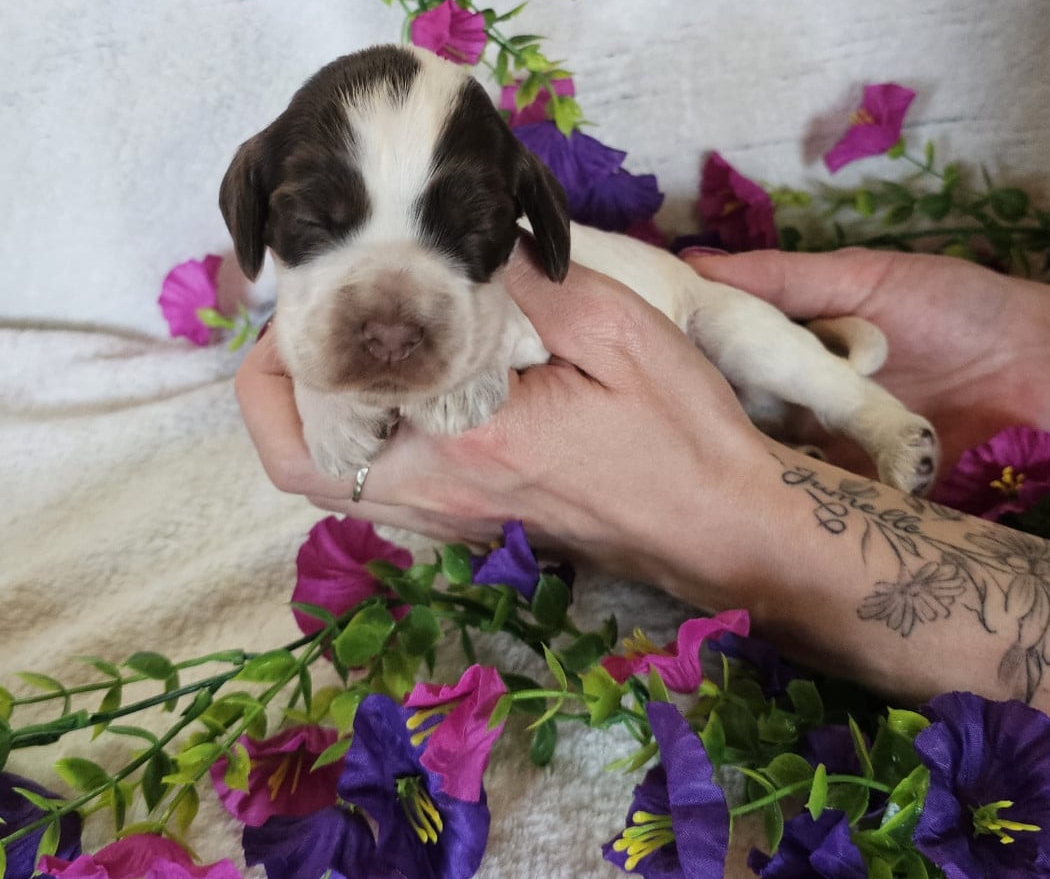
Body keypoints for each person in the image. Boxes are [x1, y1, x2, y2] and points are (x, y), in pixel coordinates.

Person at [236, 244, 1050, 713]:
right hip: (692, 380)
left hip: (683, 321)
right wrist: (1023, 341)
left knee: (784, 356)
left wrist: (709, 512)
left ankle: (876, 417)